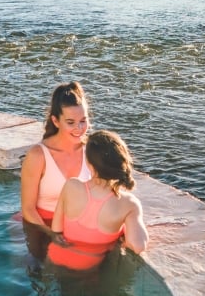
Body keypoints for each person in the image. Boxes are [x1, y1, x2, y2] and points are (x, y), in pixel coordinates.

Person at [48, 131, 148, 271]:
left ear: (89, 164)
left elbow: (56, 229)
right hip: (86, 267)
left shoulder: (71, 186)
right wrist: (123, 227)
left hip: (53, 257)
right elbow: (138, 246)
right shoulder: (129, 204)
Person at [20, 81, 93, 234]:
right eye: (70, 122)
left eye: (83, 121)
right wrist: (52, 235)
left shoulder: (92, 151)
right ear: (55, 121)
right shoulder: (38, 155)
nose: (79, 129)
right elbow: (28, 209)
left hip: (78, 226)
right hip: (41, 226)